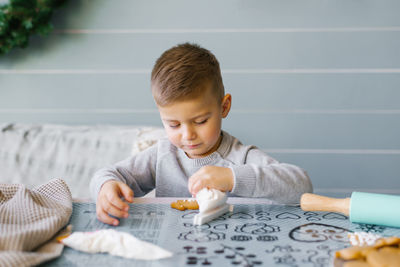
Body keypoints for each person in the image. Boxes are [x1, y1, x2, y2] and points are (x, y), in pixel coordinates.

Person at [90, 43, 313, 225]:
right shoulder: (162, 155)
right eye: (173, 124)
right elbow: (109, 174)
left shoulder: (240, 158)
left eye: (200, 121)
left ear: (224, 107)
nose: (188, 135)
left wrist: (233, 178)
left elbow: (301, 185)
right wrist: (105, 188)